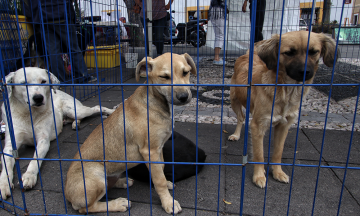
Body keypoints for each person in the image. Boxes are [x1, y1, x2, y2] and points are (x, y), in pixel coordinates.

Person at [22, 0, 96, 83]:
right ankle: (82, 77)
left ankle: (61, 79)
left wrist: (33, 16)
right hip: (61, 14)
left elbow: (26, 3)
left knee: (53, 52)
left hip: (42, 18)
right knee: (73, 48)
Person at [208, 0, 229, 65]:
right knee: (220, 36)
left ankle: (216, 57)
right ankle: (216, 58)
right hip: (218, 12)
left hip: (215, 11)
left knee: (219, 35)